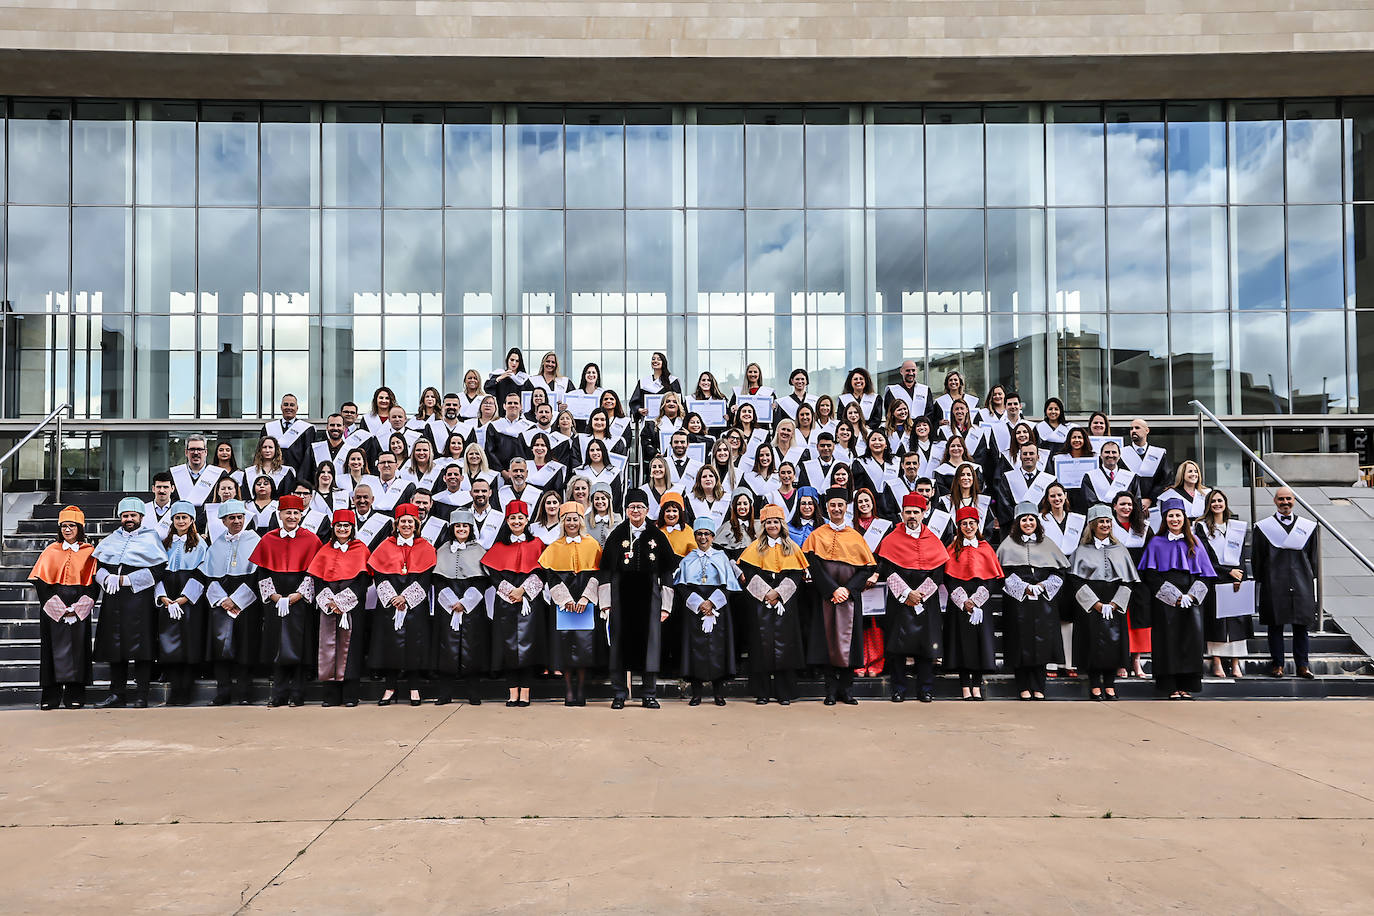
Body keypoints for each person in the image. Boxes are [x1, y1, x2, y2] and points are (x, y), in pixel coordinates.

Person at [601, 488, 678, 709]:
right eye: (632, 507)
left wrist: (666, 606)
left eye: (640, 507)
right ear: (626, 510)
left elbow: (666, 574)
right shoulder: (616, 535)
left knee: (650, 646)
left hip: (650, 599)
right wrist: (605, 603)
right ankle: (619, 693)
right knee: (618, 646)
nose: (636, 511)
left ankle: (649, 693)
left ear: (647, 510)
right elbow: (605, 571)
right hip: (620, 599)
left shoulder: (657, 536)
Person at [803, 488, 877, 705]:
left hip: (850, 598)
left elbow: (866, 568)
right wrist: (832, 589)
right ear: (827, 507)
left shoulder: (856, 536)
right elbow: (813, 566)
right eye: (832, 505)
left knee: (850, 644)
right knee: (828, 644)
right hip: (826, 597)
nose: (836, 509)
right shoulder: (817, 535)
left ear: (846, 508)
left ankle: (847, 689)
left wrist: (848, 589)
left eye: (840, 505)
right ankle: (830, 691)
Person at [92, 497, 169, 708]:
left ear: (141, 517)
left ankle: (141, 694)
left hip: (139, 600)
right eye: (125, 516)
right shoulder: (111, 539)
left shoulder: (151, 538)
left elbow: (158, 570)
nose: (129, 519)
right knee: (115, 647)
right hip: (114, 599)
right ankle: (117, 694)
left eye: (133, 515)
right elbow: (98, 565)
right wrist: (106, 578)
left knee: (141, 649)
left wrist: (128, 580)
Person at [1138, 499, 1216, 699]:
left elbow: (1205, 575)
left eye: (1178, 515)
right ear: (1165, 518)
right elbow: (1151, 575)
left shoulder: (1195, 542)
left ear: (1184, 518)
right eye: (1170, 515)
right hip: (1165, 600)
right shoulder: (1156, 542)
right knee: (1167, 641)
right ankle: (1170, 686)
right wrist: (1174, 596)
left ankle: (1186, 685)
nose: (1174, 519)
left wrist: (1191, 595)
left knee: (1191, 641)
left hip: (1191, 599)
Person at [874, 493, 948, 703]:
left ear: (924, 514)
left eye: (916, 512)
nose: (912, 516)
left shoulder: (934, 541)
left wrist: (919, 595)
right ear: (901, 514)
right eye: (908, 512)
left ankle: (925, 688)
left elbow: (938, 572)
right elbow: (887, 569)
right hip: (900, 600)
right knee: (897, 647)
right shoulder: (891, 540)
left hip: (926, 599)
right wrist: (907, 593)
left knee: (926, 646)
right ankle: (898, 689)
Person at [250, 493, 321, 707]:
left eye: (296, 513)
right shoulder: (268, 539)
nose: (292, 516)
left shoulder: (311, 539)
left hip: (299, 601)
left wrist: (297, 596)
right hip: (275, 600)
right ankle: (279, 693)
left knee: (299, 646)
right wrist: (274, 596)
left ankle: (297, 693)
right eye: (287, 512)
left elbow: (314, 573)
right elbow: (261, 573)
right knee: (277, 646)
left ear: (301, 515)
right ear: (279, 514)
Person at [996, 503, 1070, 700]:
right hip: (1017, 602)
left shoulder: (1048, 543)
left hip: (1044, 603)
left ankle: (1039, 686)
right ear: (1017, 523)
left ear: (1036, 522)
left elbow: (1059, 572)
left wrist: (1044, 586)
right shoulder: (1007, 545)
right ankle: (1023, 686)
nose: (1027, 523)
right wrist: (1025, 588)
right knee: (1019, 643)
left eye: (1031, 519)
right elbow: (1002, 574)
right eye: (1023, 519)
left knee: (1042, 644)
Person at [736, 504, 809, 704]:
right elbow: (748, 573)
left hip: (785, 602)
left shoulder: (792, 547)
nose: (772, 525)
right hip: (761, 602)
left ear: (782, 524)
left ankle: (784, 692)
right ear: (764, 525)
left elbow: (796, 574)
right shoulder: (754, 547)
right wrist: (767, 593)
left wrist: (779, 593)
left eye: (776, 522)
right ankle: (762, 692)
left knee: (786, 647)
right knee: (761, 646)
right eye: (768, 522)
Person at [28, 506, 98, 710]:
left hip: (79, 605)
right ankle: (51, 694)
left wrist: (77, 609)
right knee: (51, 650)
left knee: (79, 649)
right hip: (53, 607)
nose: (67, 530)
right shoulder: (50, 551)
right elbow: (41, 583)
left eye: (72, 526)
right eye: (64, 526)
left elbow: (93, 585)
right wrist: (59, 609)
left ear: (80, 528)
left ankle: (75, 693)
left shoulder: (89, 552)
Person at [368, 502, 437, 706]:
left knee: (415, 646)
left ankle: (414, 688)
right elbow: (379, 577)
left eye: (410, 522)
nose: (406, 525)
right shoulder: (385, 545)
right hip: (389, 605)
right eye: (402, 522)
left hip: (414, 606)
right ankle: (390, 688)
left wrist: (406, 598)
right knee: (389, 646)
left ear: (416, 525)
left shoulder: (425, 547)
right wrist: (393, 598)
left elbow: (425, 578)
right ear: (396, 524)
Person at [1069, 504, 1140, 700]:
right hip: (1091, 604)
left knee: (1113, 644)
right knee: (1092, 643)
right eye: (1101, 521)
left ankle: (1109, 684)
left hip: (1115, 601)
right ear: (1092, 525)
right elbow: (1076, 580)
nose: (1105, 525)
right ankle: (1094, 684)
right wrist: (1095, 604)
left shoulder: (1120, 549)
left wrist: (1116, 603)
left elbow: (1129, 580)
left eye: (1108, 521)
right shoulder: (1082, 550)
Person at [539, 502, 606, 707]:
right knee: (565, 645)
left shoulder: (592, 544)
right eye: (568, 519)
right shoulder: (555, 547)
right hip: (564, 603)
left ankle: (581, 689)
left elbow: (598, 573)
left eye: (575, 519)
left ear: (581, 521)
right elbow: (550, 575)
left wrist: (585, 598)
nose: (571, 522)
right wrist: (565, 600)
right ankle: (568, 689)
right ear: (563, 522)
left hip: (585, 601)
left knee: (584, 646)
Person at [483, 500, 548, 707]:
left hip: (530, 601)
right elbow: (493, 572)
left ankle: (526, 693)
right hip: (506, 601)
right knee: (509, 646)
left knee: (528, 646)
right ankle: (512, 692)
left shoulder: (537, 544)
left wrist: (524, 591)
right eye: (512, 518)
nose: (517, 521)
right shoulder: (499, 546)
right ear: (507, 520)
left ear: (527, 520)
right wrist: (510, 591)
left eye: (520, 518)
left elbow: (542, 570)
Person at [1252, 486, 1319, 680]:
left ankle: (1303, 665)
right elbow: (1258, 557)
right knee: (1275, 625)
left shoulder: (1306, 527)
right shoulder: (1263, 528)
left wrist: (1308, 577)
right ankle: (1278, 664)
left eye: (1288, 499)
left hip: (1301, 580)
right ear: (1275, 501)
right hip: (1274, 581)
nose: (1285, 503)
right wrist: (1263, 579)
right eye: (1281, 499)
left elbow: (1312, 557)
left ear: (1294, 501)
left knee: (1301, 626)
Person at [306, 509, 372, 707]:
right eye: (339, 526)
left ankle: (350, 695)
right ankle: (330, 696)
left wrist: (343, 602)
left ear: (352, 529)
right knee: (328, 648)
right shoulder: (324, 550)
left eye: (346, 526)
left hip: (352, 609)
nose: (342, 529)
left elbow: (363, 581)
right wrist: (330, 602)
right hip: (328, 607)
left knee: (350, 651)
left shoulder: (361, 549)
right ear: (333, 528)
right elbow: (317, 580)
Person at [673, 516, 741, 706]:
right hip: (695, 609)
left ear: (712, 537)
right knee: (695, 649)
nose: (703, 538)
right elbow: (681, 586)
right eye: (699, 534)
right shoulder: (688, 559)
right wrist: (699, 603)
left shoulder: (721, 557)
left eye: (707, 534)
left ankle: (718, 693)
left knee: (719, 648)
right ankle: (697, 693)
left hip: (718, 607)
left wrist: (712, 602)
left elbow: (729, 585)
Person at [200, 499, 262, 705]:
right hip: (221, 600)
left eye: (240, 517)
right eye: (232, 518)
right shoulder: (216, 544)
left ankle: (245, 693)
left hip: (246, 601)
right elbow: (209, 576)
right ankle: (222, 692)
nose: (236, 521)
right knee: (221, 647)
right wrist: (222, 599)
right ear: (224, 521)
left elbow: (256, 576)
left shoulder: (255, 540)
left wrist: (237, 600)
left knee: (244, 647)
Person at [942, 505, 1003, 700]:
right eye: (964, 524)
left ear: (978, 525)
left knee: (979, 644)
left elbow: (992, 578)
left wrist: (976, 600)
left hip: (980, 601)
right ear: (959, 526)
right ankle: (965, 687)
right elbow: (949, 579)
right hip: (959, 603)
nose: (968, 527)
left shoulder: (985, 549)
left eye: (971, 523)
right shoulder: (952, 549)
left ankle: (976, 685)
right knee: (962, 645)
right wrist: (963, 601)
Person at [432, 511, 490, 706]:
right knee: (446, 647)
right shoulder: (442, 550)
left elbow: (484, 580)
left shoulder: (478, 550)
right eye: (458, 527)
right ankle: (444, 692)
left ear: (470, 529)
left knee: (471, 647)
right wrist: (450, 601)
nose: (461, 529)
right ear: (452, 529)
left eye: (465, 527)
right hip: (446, 604)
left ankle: (473, 692)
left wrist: (466, 602)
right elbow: (437, 579)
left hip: (471, 607)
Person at [153, 501, 209, 706]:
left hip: (189, 599)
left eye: (185, 517)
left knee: (189, 643)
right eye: (177, 517)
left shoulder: (200, 544)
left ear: (192, 520)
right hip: (168, 597)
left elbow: (202, 573)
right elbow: (157, 571)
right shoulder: (163, 543)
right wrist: (163, 598)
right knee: (170, 643)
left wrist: (184, 598)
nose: (181, 521)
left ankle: (186, 690)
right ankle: (175, 689)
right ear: (172, 520)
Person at [1195, 489, 1252, 678]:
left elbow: (1242, 554)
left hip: (1235, 578)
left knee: (1236, 622)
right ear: (1208, 505)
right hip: (1214, 578)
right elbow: (1206, 557)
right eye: (1213, 501)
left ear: (1225, 503)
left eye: (1220, 500)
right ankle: (1217, 661)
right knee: (1216, 621)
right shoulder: (1201, 527)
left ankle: (1236, 663)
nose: (1217, 504)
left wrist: (1240, 576)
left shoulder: (1235, 526)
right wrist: (1227, 571)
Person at [1122, 418, 1172, 508]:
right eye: (1131, 428)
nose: (1133, 431)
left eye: (1137, 428)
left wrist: (1150, 499)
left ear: (1147, 430)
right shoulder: (1122, 454)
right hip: (1128, 506)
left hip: (1153, 505)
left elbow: (1165, 480)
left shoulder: (1158, 454)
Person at [262, 393, 316, 473]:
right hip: (272, 475)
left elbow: (308, 459)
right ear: (281, 407)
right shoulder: (268, 428)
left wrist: (302, 481)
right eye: (286, 404)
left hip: (297, 476)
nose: (289, 408)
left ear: (297, 408)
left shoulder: (307, 429)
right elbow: (261, 453)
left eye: (292, 405)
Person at [170, 435, 226, 507]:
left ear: (205, 452)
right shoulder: (173, 474)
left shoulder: (220, 475)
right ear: (186, 452)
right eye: (192, 449)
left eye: (200, 449)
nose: (196, 453)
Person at [884, 358, 930, 423]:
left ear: (916, 371)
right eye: (908, 370)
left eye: (913, 370)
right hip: (900, 428)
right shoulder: (892, 390)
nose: (911, 373)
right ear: (901, 371)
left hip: (920, 427)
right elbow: (889, 412)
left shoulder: (925, 390)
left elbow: (930, 412)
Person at [143, 471, 177, 539]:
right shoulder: (144, 509)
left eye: (165, 487)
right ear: (153, 488)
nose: (161, 491)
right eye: (159, 487)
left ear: (172, 489)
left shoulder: (178, 509)